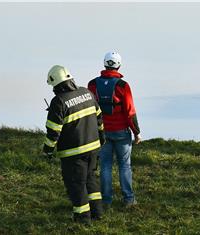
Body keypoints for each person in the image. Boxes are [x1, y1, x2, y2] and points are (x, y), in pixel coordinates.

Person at [43, 65, 105, 224]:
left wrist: (47, 151)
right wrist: (102, 137)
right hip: (93, 148)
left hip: (73, 153)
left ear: (56, 84)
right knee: (91, 180)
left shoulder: (58, 102)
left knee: (76, 185)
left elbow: (53, 131)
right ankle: (97, 213)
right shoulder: (86, 93)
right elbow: (99, 117)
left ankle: (83, 219)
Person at [88, 52, 141, 208]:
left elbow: (90, 109)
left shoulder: (92, 84)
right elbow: (130, 112)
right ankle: (129, 200)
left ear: (104, 64)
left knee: (105, 166)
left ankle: (106, 200)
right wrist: (136, 132)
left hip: (102, 132)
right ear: (119, 65)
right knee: (124, 165)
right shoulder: (123, 86)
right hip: (121, 132)